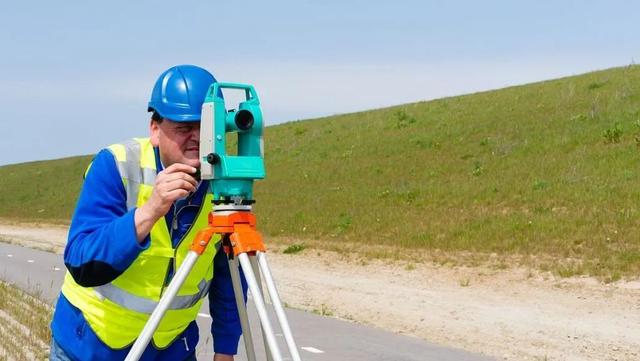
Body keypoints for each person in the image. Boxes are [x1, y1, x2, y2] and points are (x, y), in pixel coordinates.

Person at [49, 65, 246, 361]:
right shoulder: (117, 165)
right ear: (155, 130)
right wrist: (151, 210)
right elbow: (81, 260)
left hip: (170, 350)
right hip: (91, 346)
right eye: (183, 128)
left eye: (205, 127)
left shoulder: (225, 186)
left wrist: (226, 351)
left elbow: (229, 279)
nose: (196, 138)